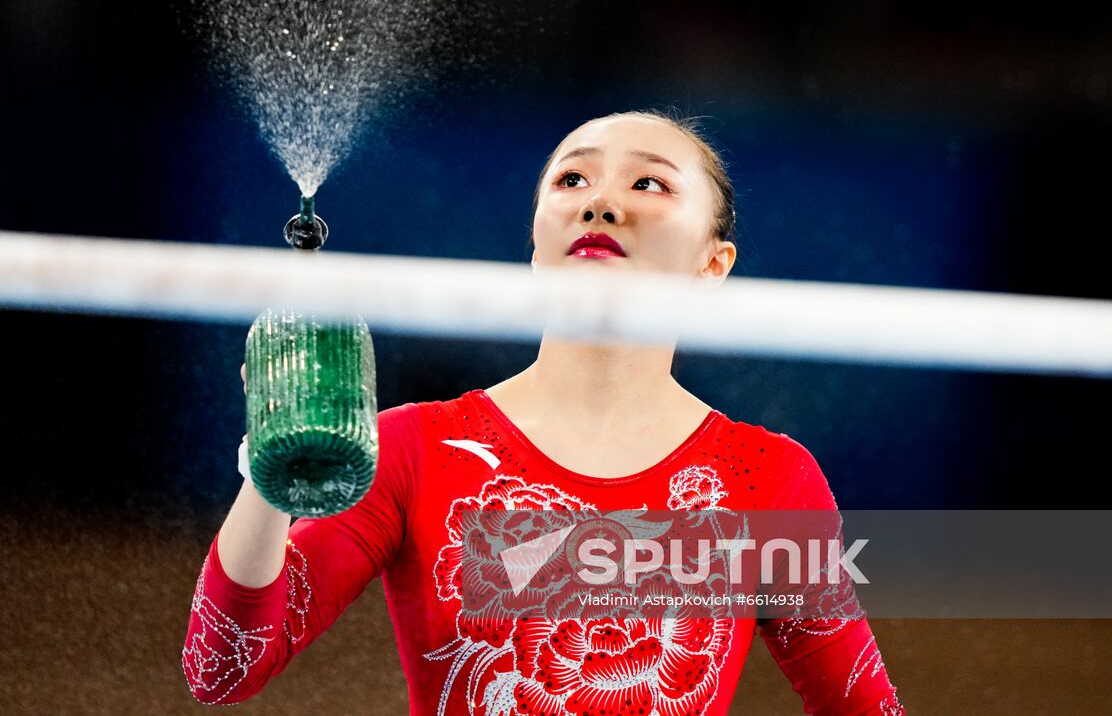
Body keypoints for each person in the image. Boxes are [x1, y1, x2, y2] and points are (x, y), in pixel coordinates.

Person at [182, 108, 904, 715]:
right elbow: (221, 669)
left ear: (712, 264)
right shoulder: (415, 448)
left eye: (648, 182)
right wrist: (271, 466)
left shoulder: (768, 480)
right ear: (536, 239)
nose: (600, 202)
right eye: (572, 179)